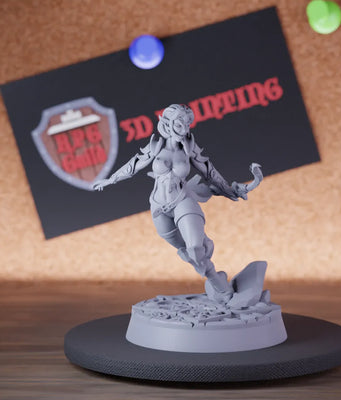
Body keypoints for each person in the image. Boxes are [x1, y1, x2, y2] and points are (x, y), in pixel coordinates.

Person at [94, 104, 262, 303]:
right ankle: (216, 279)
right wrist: (110, 180)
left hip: (183, 201)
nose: (184, 128)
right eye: (180, 123)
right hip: (158, 207)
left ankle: (223, 290)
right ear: (168, 123)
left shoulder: (189, 149)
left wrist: (229, 190)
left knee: (195, 249)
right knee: (188, 253)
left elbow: (210, 172)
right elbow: (133, 165)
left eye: (187, 123)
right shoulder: (156, 147)